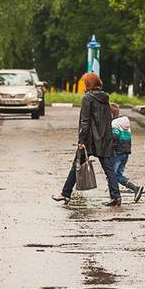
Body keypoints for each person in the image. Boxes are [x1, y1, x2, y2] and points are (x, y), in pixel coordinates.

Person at [52, 72, 122, 207]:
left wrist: (81, 140)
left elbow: (85, 121)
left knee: (76, 164)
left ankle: (65, 193)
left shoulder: (87, 98)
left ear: (88, 84)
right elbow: (107, 120)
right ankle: (116, 196)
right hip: (104, 139)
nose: (84, 85)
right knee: (108, 168)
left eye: (85, 83)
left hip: (90, 139)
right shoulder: (105, 98)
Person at [109, 103, 144, 202]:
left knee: (111, 176)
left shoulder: (114, 124)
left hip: (116, 153)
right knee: (118, 175)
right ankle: (135, 186)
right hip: (125, 153)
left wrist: (110, 148)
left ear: (112, 114)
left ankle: (114, 198)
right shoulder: (125, 124)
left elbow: (114, 136)